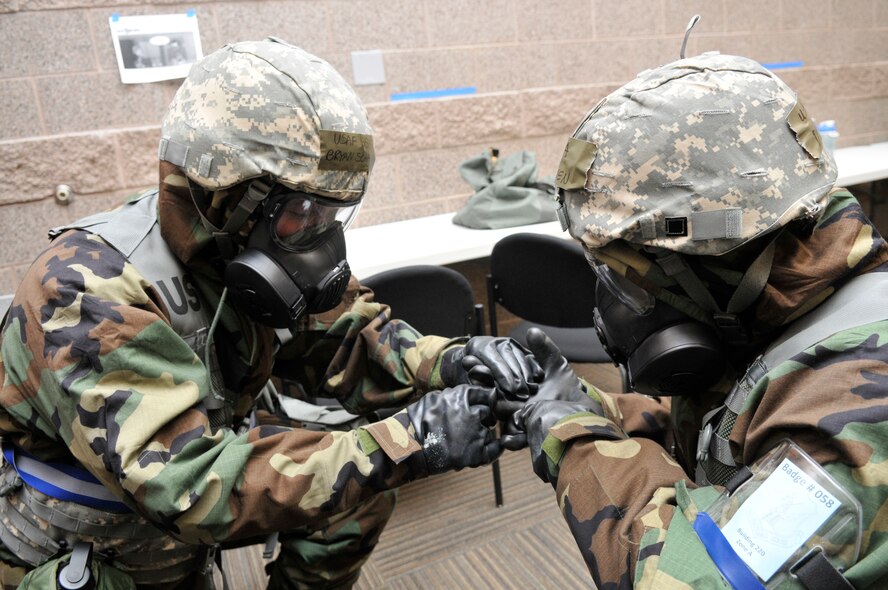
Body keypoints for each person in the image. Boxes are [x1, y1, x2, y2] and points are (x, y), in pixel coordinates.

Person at [0, 38, 539, 589]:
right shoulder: (84, 290)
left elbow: (353, 340)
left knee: (357, 492)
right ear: (222, 192)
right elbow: (189, 484)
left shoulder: (246, 250)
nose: (320, 236)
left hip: (182, 521)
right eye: (304, 210)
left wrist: (452, 363)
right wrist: (409, 440)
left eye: (333, 212)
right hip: (95, 545)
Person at [504, 52, 888, 589]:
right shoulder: (771, 306)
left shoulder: (856, 403)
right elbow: (733, 431)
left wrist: (576, 441)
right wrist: (597, 408)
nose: (623, 296)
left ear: (710, 253)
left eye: (628, 271)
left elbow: (695, 577)